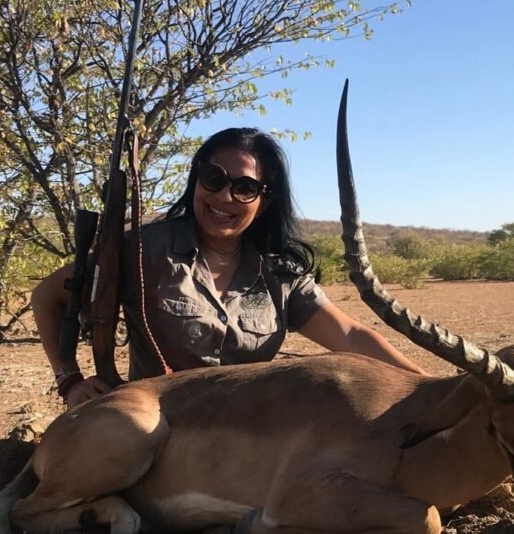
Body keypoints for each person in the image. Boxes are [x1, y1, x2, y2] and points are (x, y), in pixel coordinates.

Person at [32, 127, 427, 408]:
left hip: (247, 433)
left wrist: (430, 387)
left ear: (264, 201)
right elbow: (47, 296)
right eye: (213, 179)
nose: (224, 196)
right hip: (154, 423)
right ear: (196, 180)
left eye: (244, 187)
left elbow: (351, 335)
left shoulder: (281, 274)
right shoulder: (143, 250)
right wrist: (70, 380)